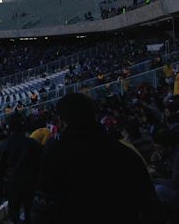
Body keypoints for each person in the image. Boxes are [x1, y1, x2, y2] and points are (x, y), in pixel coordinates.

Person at [31, 93, 167, 224]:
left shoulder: (54, 154)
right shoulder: (123, 151)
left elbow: (42, 210)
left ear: (61, 121)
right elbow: (151, 207)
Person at [0, 115, 41, 224]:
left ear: (9, 130)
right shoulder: (32, 143)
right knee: (29, 209)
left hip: (13, 183)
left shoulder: (4, 145)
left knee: (14, 211)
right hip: (30, 182)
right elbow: (40, 161)